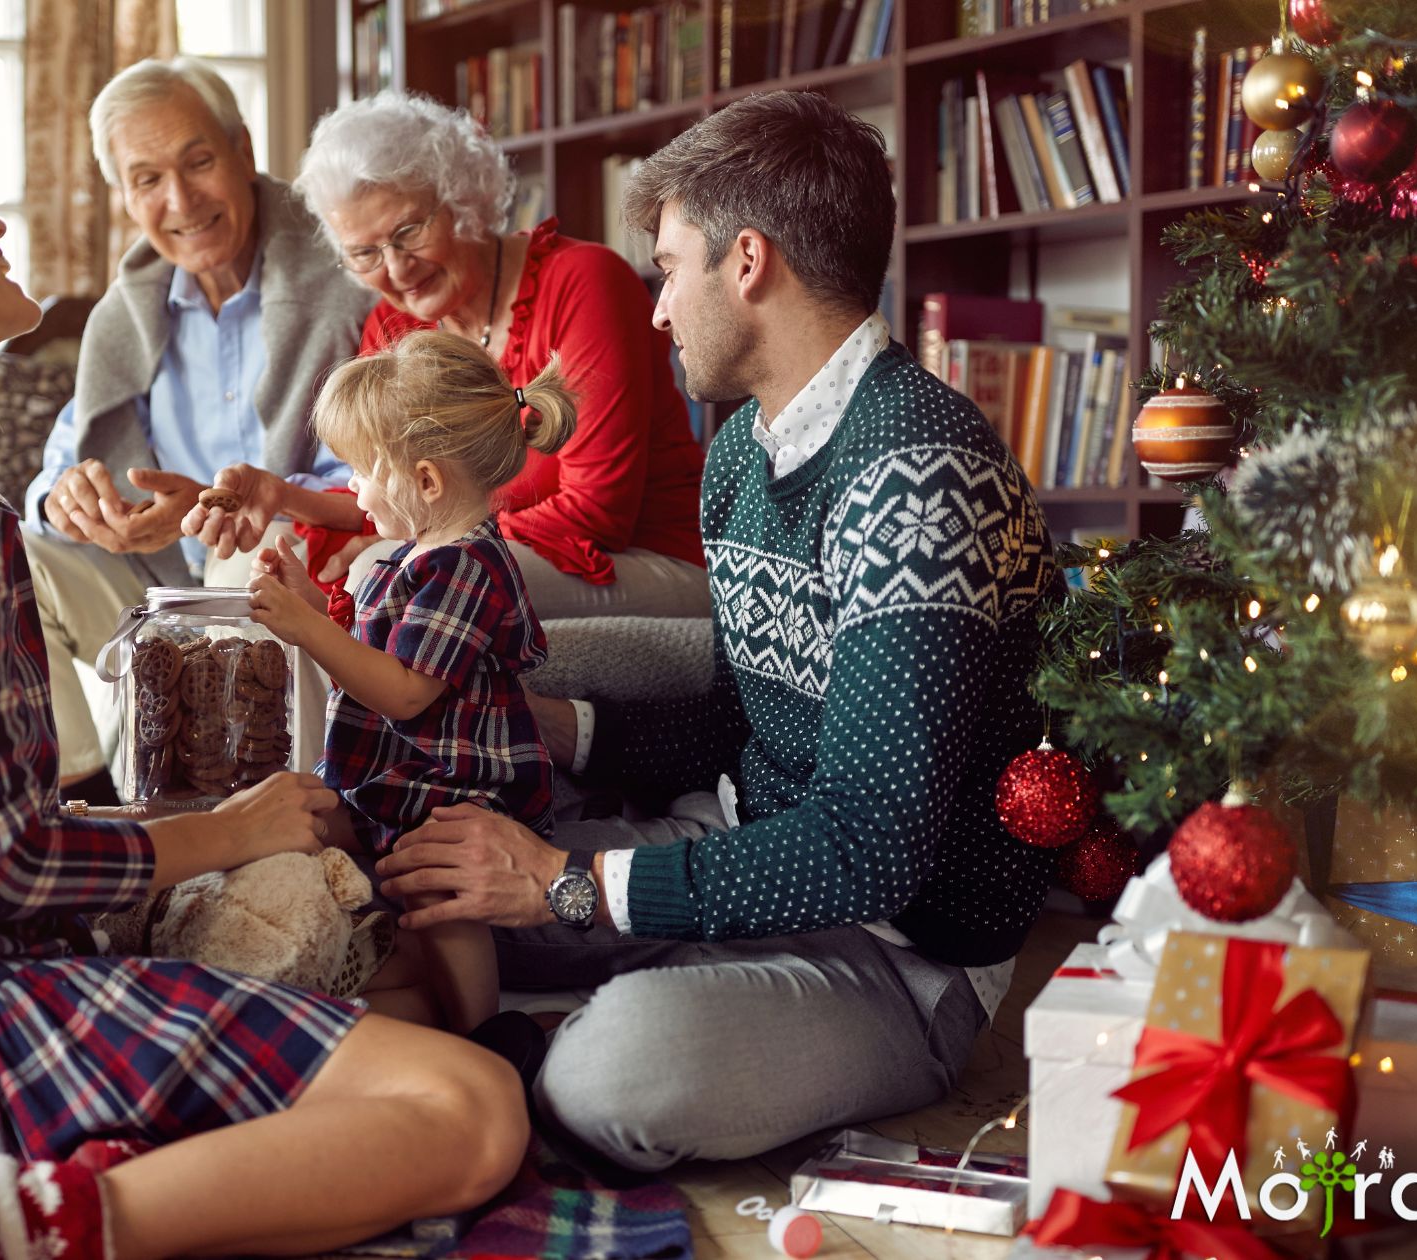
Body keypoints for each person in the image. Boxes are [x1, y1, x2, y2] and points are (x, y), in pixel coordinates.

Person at [0, 131, 524, 1252]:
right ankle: (14, 1222)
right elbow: (4, 865)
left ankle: (68, 1185)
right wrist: (233, 830)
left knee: (368, 1037)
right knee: (470, 1109)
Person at [365, 93, 1061, 1173]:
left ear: (747, 263)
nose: (654, 311)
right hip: (735, 841)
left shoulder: (915, 472)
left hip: (897, 952)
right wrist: (558, 729)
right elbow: (747, 714)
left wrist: (564, 882)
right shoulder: (742, 452)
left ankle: (558, 1048)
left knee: (612, 1074)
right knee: (431, 903)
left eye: (667, 268)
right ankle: (565, 1024)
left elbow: (870, 850)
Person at [198, 91, 708, 621]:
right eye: (366, 253)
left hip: (641, 563)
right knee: (262, 564)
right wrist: (282, 496)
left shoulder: (584, 283)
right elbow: (394, 494)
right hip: (493, 550)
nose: (395, 269)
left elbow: (596, 514)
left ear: (461, 198)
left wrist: (406, 552)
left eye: (408, 232)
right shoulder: (396, 327)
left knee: (397, 579)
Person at [19, 58, 376, 786]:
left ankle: (265, 814)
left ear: (244, 152)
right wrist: (70, 501)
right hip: (153, 592)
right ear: (124, 196)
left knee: (253, 550)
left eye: (199, 161)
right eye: (147, 179)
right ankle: (87, 804)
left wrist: (218, 510)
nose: (179, 199)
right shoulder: (128, 312)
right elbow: (60, 467)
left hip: (287, 573)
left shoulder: (344, 278)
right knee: (13, 558)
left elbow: (381, 472)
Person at [244, 330, 577, 1036]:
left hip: (450, 785)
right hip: (396, 773)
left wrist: (311, 633)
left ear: (426, 481)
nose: (354, 491)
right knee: (302, 821)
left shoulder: (466, 565)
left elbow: (404, 691)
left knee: (439, 892)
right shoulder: (414, 555)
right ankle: (378, 981)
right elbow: (376, 643)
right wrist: (312, 605)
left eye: (361, 471)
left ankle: (486, 1034)